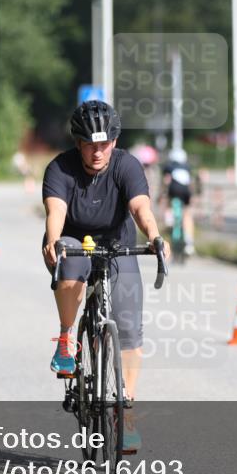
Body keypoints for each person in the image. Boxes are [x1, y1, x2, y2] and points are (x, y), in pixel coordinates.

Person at [42, 100, 169, 452]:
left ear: (113, 141)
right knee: (71, 268)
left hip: (117, 244)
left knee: (128, 328)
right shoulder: (60, 169)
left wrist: (155, 236)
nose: (97, 152)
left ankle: (124, 412)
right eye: (89, 145)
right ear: (78, 143)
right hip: (71, 239)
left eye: (104, 144)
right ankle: (68, 337)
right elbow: (56, 210)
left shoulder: (126, 166)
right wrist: (54, 241)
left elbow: (141, 207)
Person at [161, 147, 196, 255]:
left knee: (168, 202)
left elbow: (166, 181)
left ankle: (169, 219)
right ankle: (189, 242)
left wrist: (162, 194)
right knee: (187, 213)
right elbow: (190, 183)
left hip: (174, 189)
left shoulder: (169, 166)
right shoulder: (187, 167)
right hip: (185, 191)